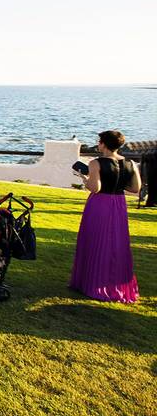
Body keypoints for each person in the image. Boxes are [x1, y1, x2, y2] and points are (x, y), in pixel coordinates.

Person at [70, 130, 141, 303]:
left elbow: (95, 188)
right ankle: (113, 284)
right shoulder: (130, 163)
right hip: (118, 204)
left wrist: (83, 177)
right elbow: (135, 189)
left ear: (103, 144)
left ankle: (90, 282)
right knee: (116, 243)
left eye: (99, 141)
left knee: (94, 239)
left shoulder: (96, 163)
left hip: (100, 204)